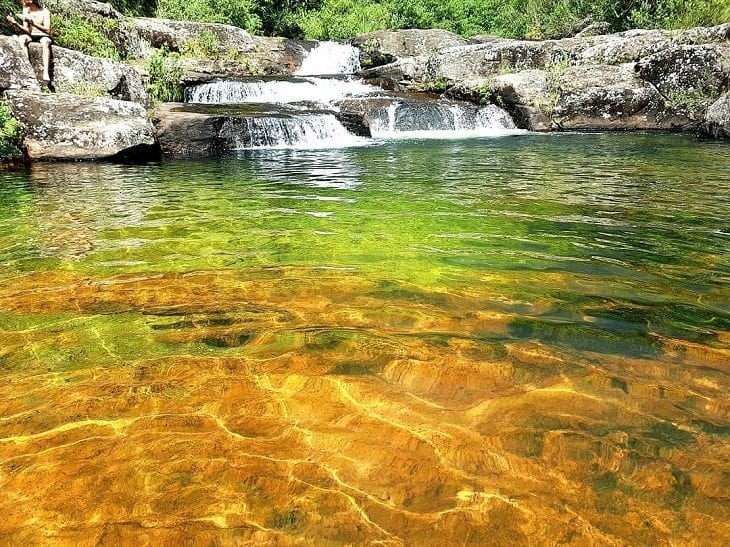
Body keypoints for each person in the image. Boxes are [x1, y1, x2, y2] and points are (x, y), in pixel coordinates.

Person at [6, 0, 52, 85]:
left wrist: (32, 23)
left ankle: (45, 72)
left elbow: (48, 30)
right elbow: (26, 30)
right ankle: (28, 69)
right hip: (31, 35)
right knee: (22, 38)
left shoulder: (45, 12)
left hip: (43, 35)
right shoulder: (26, 10)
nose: (22, 3)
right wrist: (15, 23)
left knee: (45, 42)